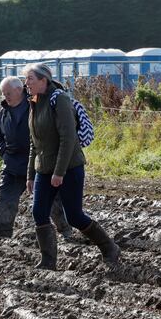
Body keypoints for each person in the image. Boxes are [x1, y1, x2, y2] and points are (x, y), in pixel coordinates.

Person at [23, 63, 120, 270]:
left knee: (74, 216)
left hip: (69, 168)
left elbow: (68, 138)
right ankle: (48, 261)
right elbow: (34, 141)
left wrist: (59, 172)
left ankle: (109, 248)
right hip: (43, 168)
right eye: (26, 79)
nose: (27, 83)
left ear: (43, 80)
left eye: (30, 78)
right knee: (39, 213)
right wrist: (30, 174)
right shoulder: (33, 101)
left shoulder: (60, 99)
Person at [0, 76, 72, 239]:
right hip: (13, 167)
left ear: (18, 90)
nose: (5, 96)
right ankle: (1, 236)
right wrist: (4, 152)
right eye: (3, 93)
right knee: (4, 201)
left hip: (39, 164)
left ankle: (65, 231)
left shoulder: (36, 106)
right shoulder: (3, 113)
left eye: (7, 93)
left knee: (52, 202)